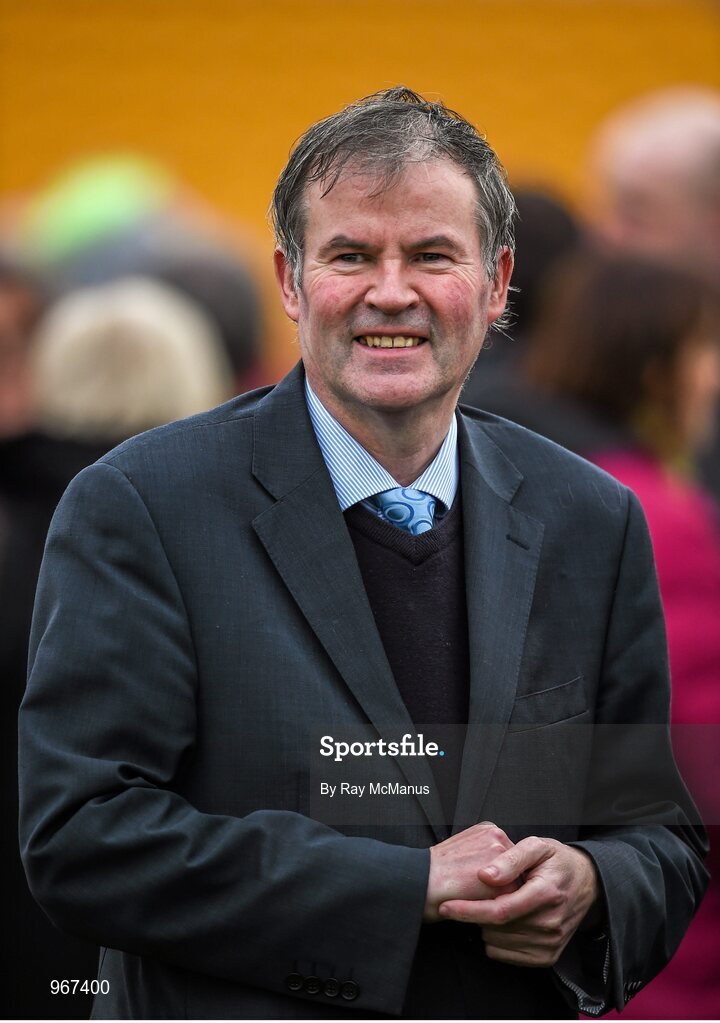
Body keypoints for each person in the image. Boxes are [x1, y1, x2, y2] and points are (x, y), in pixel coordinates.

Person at [19, 87, 707, 1020]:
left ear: (497, 282)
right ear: (292, 281)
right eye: (351, 255)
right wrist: (405, 886)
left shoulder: (591, 518)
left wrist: (592, 882)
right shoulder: (140, 507)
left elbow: (659, 835)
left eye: (431, 255)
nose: (393, 291)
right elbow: (83, 836)